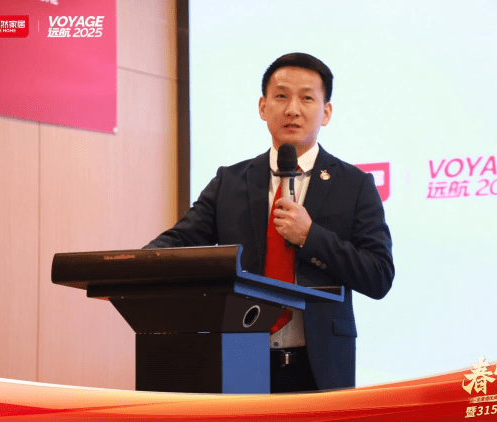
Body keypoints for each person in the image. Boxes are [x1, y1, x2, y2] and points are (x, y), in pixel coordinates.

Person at [144, 52, 394, 392]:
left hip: (320, 368)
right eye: (281, 96)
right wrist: (134, 267)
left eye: (307, 98)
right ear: (263, 107)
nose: (292, 109)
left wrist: (310, 236)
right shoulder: (230, 182)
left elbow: (379, 275)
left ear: (326, 112)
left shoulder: (354, 185)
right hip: (242, 359)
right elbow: (179, 241)